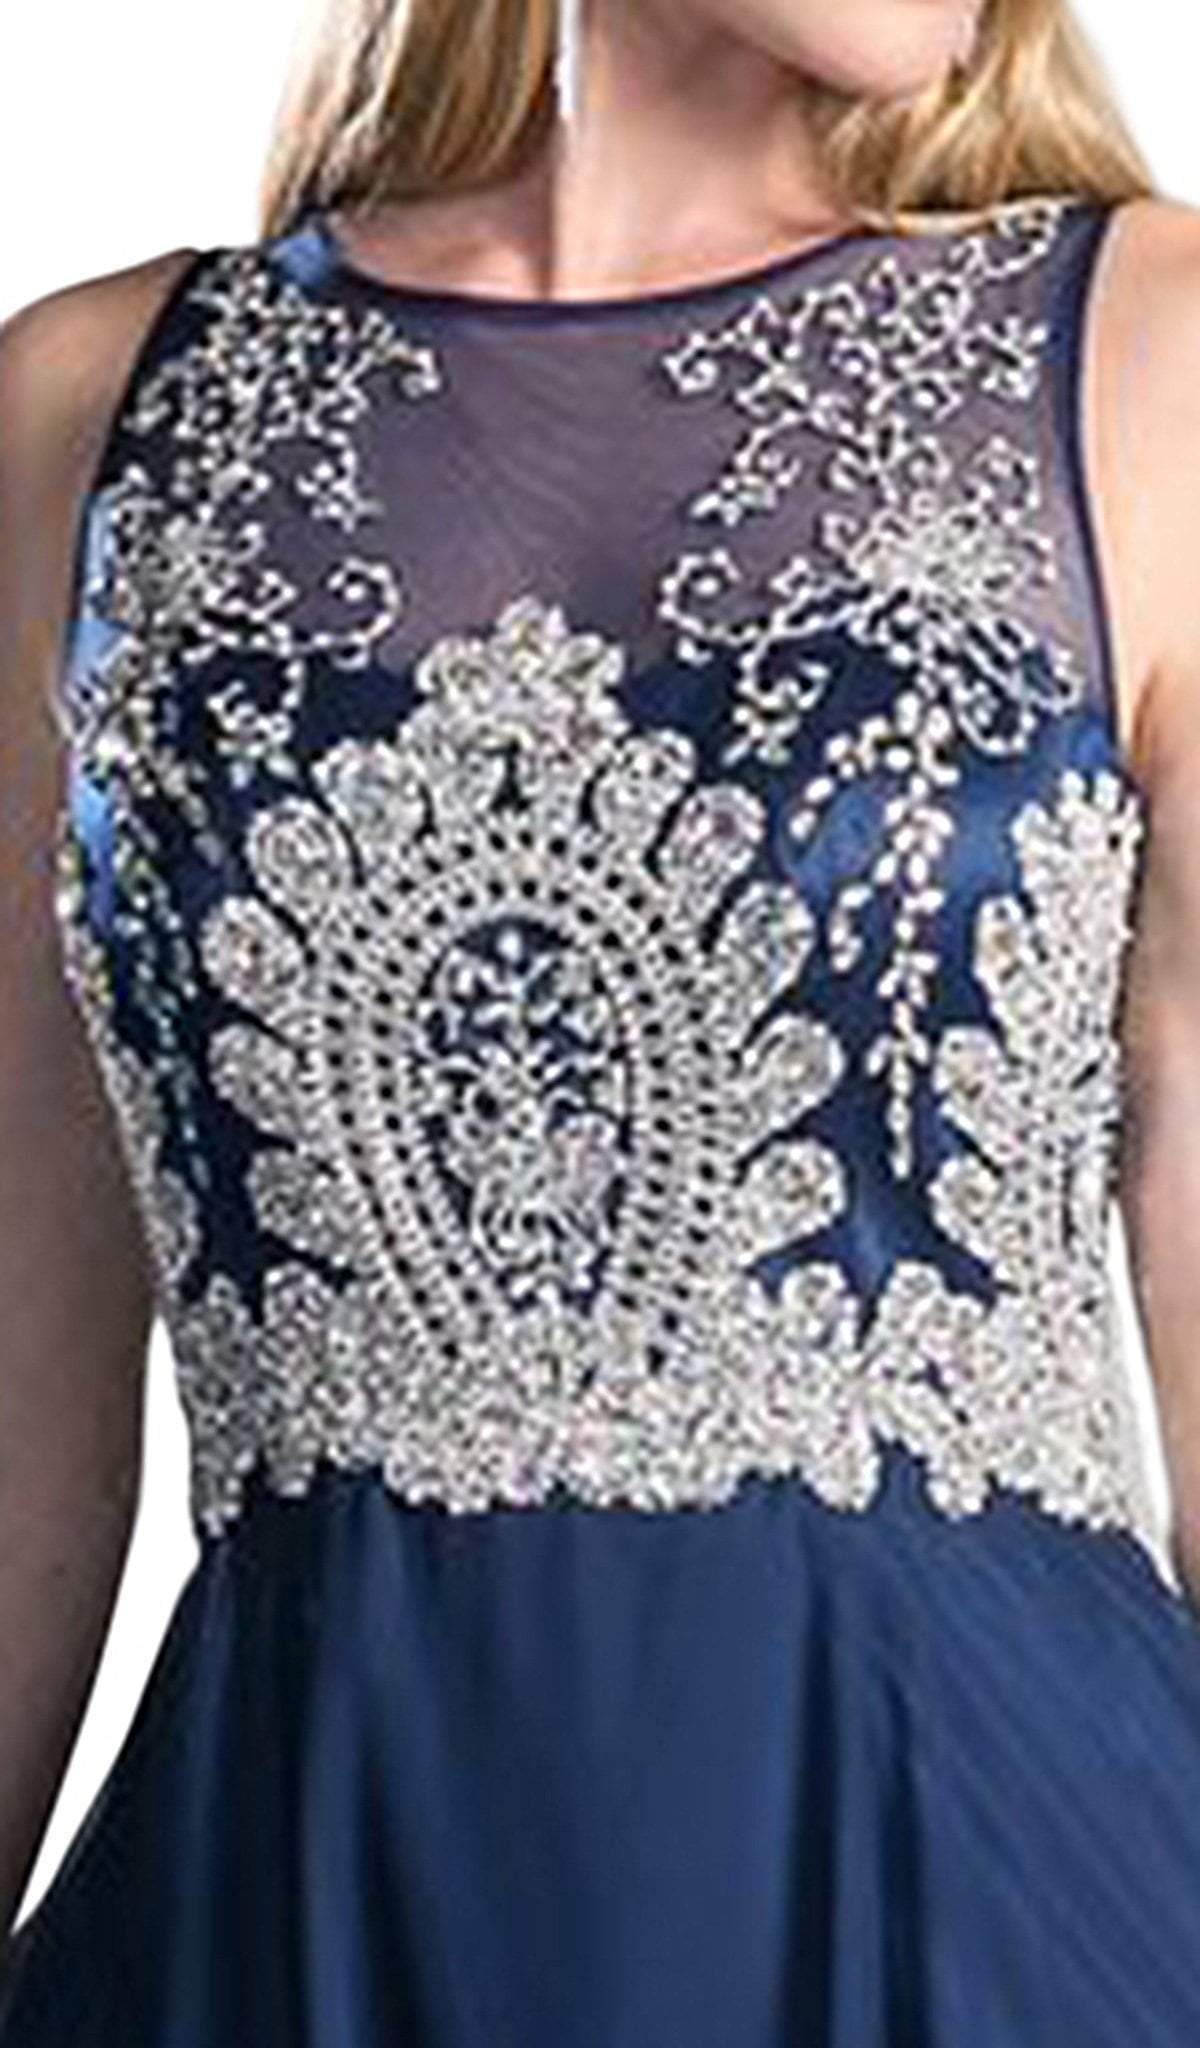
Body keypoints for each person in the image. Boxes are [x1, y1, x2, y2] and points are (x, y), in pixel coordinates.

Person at [3, 0, 1200, 2038]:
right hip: (282, 1911)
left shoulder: (1154, 359)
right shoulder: (92, 414)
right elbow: (22, 1410)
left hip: (993, 1903)